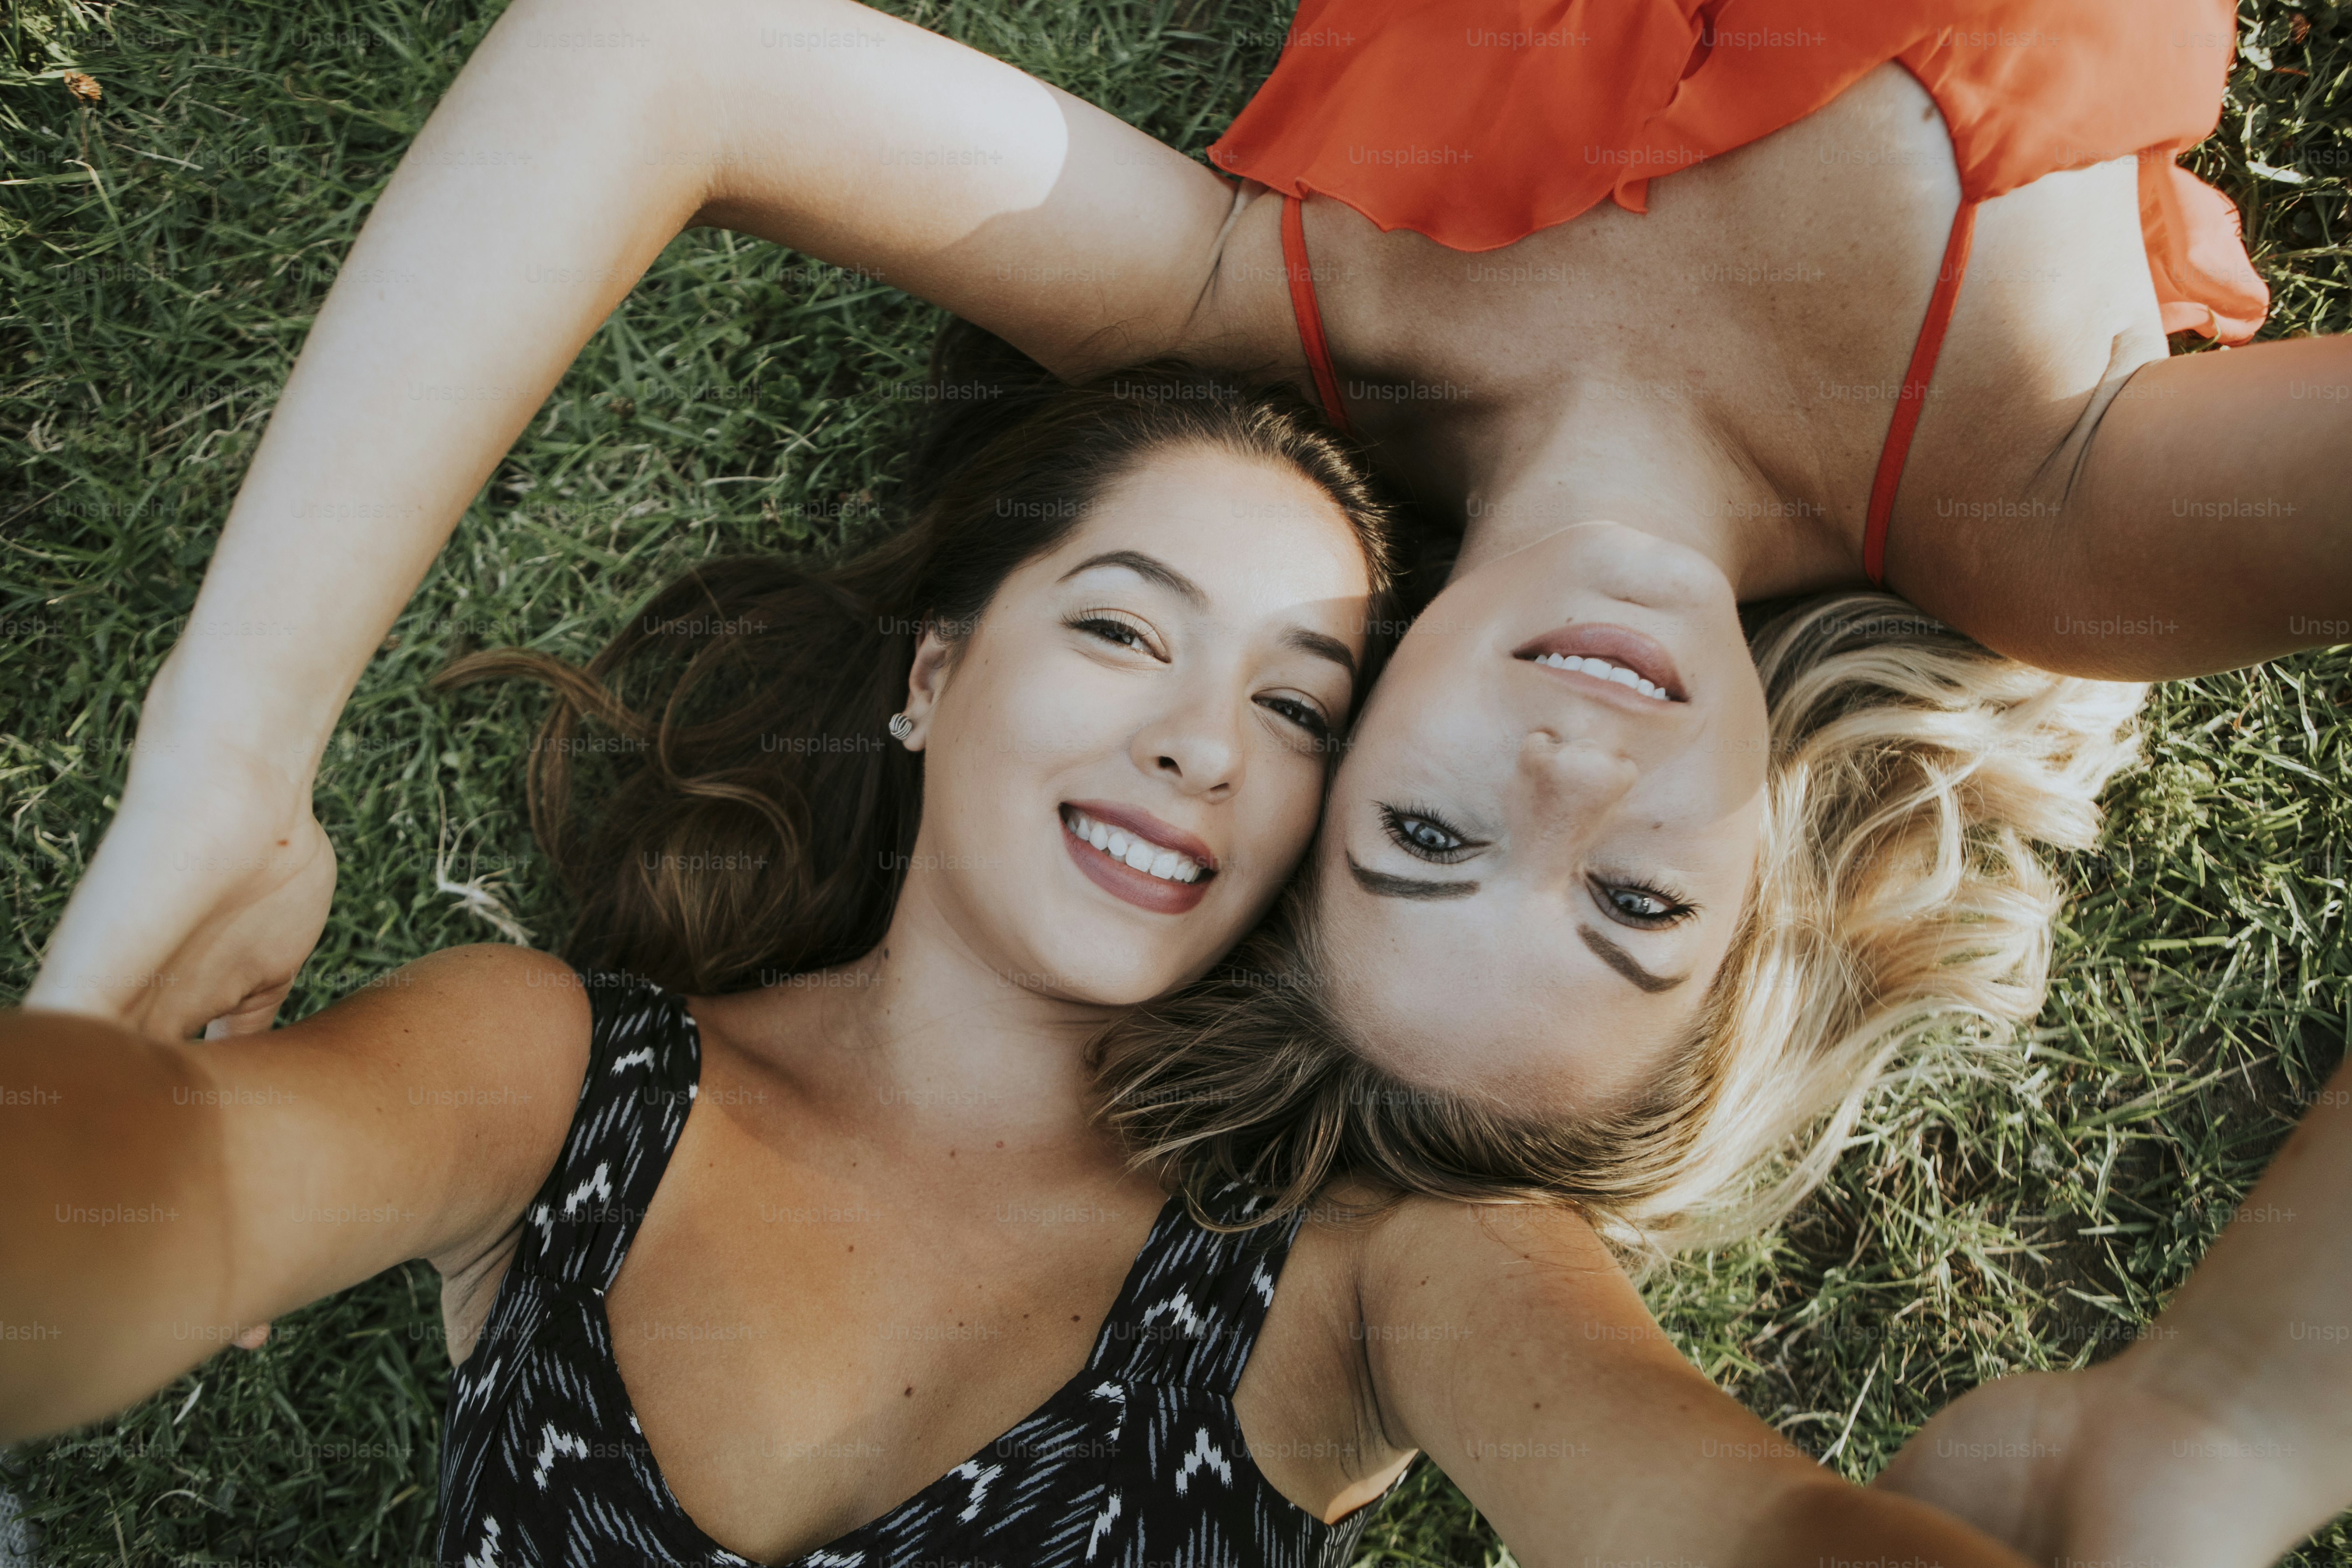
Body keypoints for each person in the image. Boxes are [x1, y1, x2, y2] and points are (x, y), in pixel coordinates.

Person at [0, 363, 2044, 1568]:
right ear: (936, 674)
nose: (1200, 743)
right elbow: (159, 1190)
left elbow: (1713, 1517)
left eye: (1299, 708)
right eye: (1124, 629)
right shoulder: (554, 1083)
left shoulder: (1365, 1276)